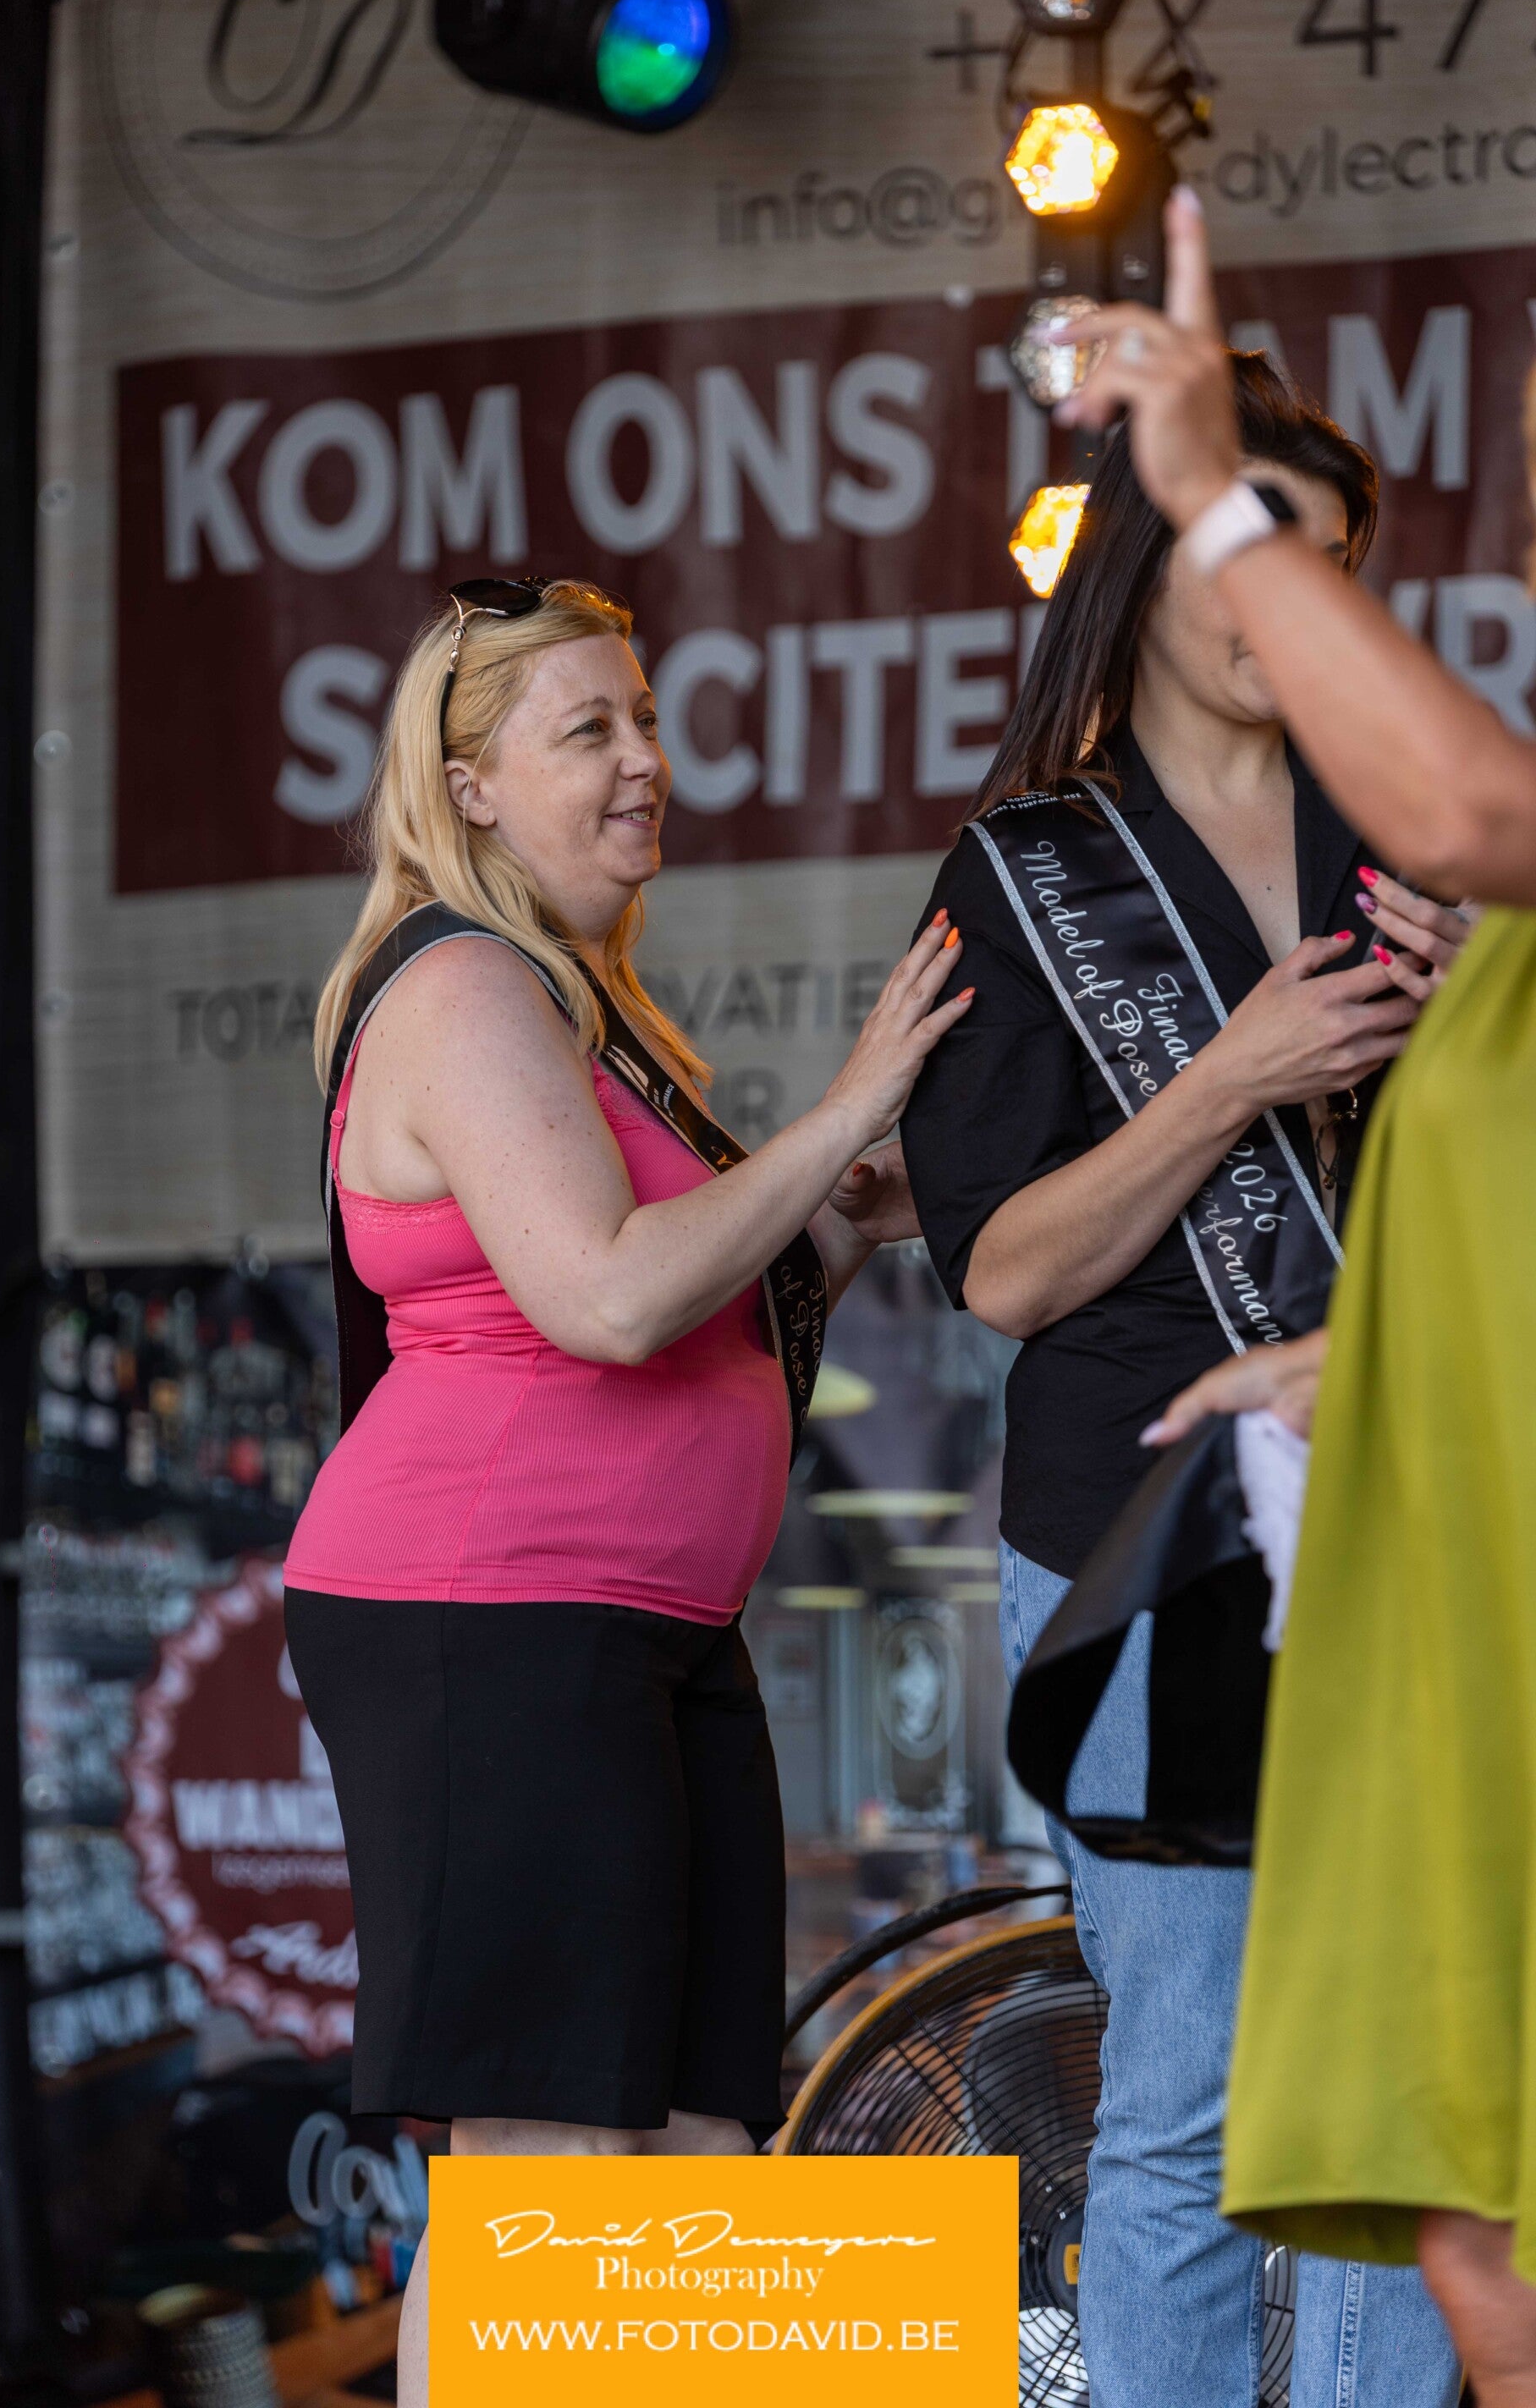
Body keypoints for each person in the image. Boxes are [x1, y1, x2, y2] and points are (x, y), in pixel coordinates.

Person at [281, 577, 971, 2404]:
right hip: (492, 1616)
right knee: (553, 2163)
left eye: (645, 718)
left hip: (639, 1630)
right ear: (471, 785)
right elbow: (606, 1296)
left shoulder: (588, 1011)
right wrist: (845, 1105)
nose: (645, 759)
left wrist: (860, 1202)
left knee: (693, 2159)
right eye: (588, 729)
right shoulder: (461, 985)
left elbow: (714, 1276)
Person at [900, 360, 1465, 2405]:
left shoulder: (1414, 852)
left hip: (1407, 1509)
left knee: (1412, 2093)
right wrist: (1232, 1075)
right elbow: (1003, 1270)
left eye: (1330, 561)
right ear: (1147, 566)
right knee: (1189, 2100)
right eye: (1254, 544)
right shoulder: (1025, 873)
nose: (1295, 594)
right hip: (1147, 1542)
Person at [1069, 192, 1536, 2408]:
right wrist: (1369, 1359)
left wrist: (1216, 497)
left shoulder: (1465, 825)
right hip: (1441, 1564)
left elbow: (1459, 800)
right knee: (1463, 2220)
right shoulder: (1045, 869)